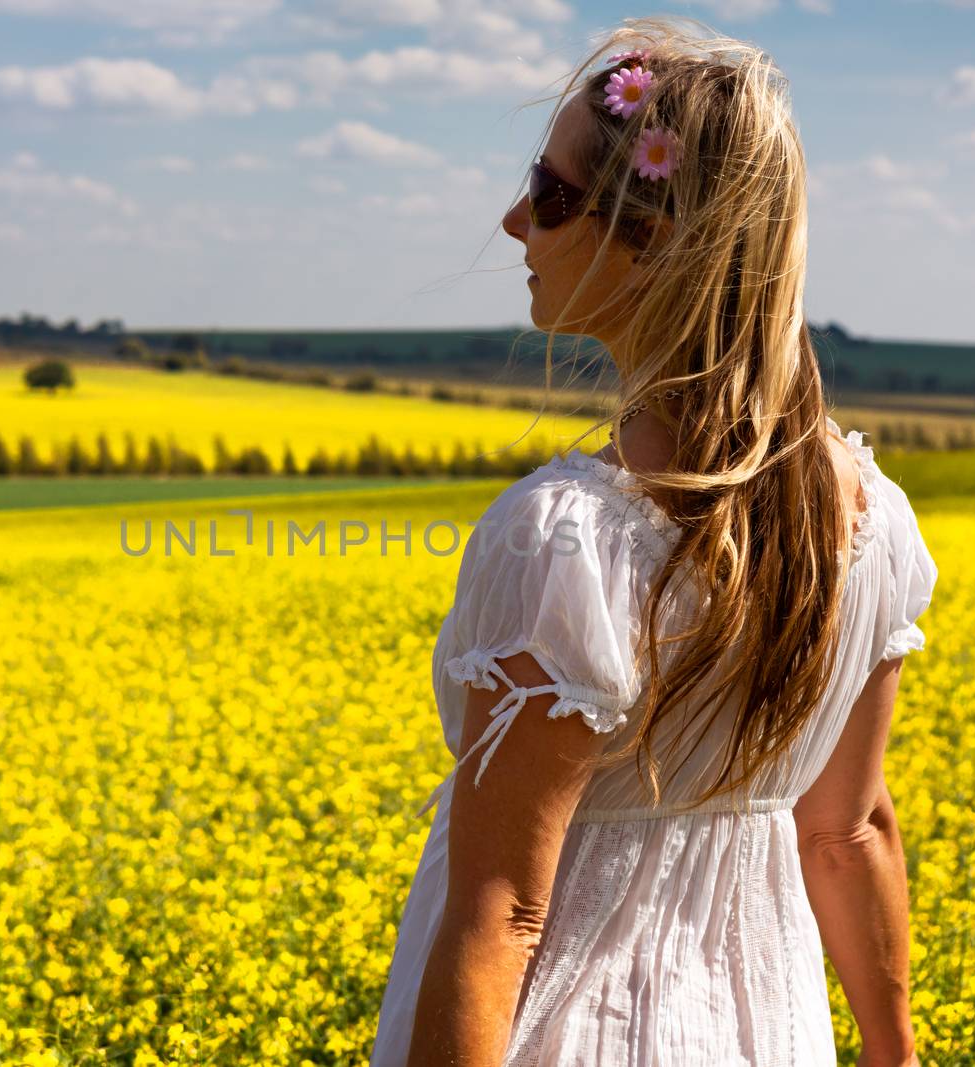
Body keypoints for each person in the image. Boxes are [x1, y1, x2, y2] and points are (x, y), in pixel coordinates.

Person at [369, 16, 938, 1067]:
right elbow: (846, 834)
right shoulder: (873, 528)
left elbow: (502, 914)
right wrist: (893, 1051)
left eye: (549, 196)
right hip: (767, 1032)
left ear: (653, 237)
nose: (512, 222)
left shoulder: (566, 540)